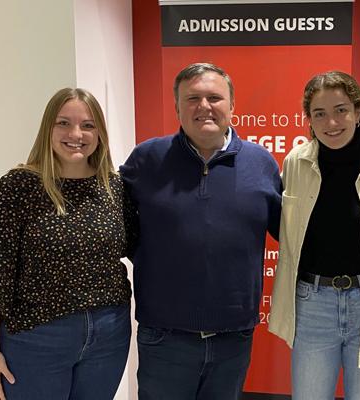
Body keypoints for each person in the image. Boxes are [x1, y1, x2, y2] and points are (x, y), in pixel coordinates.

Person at [120, 62, 282, 400]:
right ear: (177, 106)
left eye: (214, 97)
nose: (204, 106)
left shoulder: (261, 163)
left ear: (232, 106)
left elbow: (290, 235)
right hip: (165, 336)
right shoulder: (146, 160)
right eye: (192, 98)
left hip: (232, 338)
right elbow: (116, 228)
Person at [0, 88, 136, 400]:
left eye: (88, 125)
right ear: (48, 128)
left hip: (108, 334)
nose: (76, 134)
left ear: (99, 133)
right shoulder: (17, 187)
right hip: (36, 337)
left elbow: (139, 248)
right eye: (64, 123)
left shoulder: (114, 187)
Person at [268, 71, 360, 400]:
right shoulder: (294, 164)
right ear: (309, 119)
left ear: (358, 112)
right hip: (312, 304)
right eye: (320, 113)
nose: (332, 122)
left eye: (341, 109)